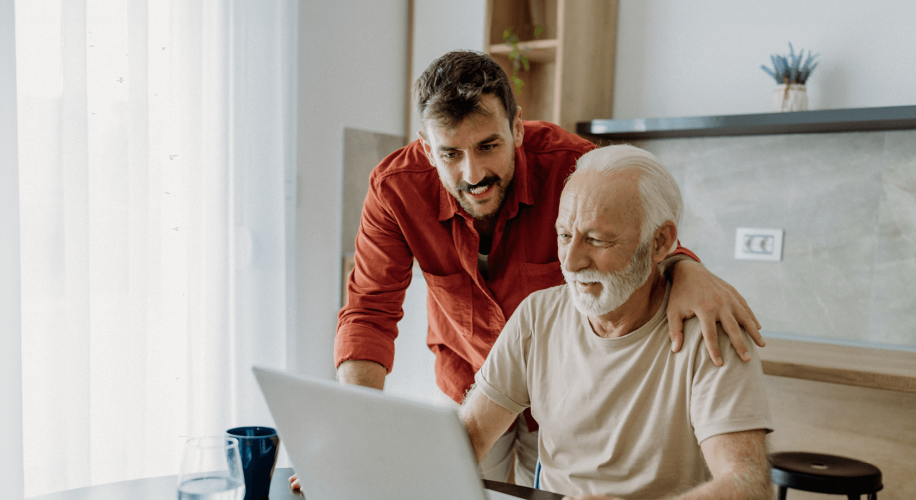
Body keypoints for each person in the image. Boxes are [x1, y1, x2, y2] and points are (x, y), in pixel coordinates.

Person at [325, 50, 763, 486]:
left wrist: (687, 268)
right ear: (425, 147)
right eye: (451, 154)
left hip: (563, 391)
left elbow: (643, 237)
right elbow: (369, 312)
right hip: (469, 380)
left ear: (516, 127)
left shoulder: (572, 167)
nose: (472, 172)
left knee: (561, 482)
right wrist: (359, 442)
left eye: (488, 146)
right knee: (456, 484)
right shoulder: (395, 189)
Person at [460, 144, 772, 499]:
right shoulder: (537, 315)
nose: (571, 261)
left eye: (596, 239)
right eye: (564, 235)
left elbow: (747, 485)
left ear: (659, 242)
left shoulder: (710, 331)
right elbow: (468, 436)